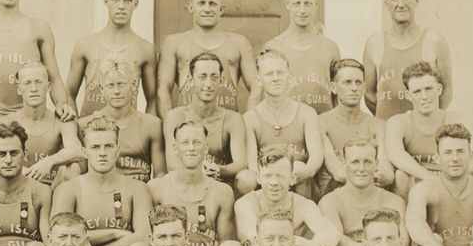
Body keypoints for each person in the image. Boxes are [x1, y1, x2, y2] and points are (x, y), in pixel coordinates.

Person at [144, 119, 245, 246]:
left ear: (206, 148)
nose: (191, 148)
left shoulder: (222, 192)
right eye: (185, 143)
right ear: (175, 148)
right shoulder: (156, 188)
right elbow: (149, 243)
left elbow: (225, 244)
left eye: (196, 142)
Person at [51, 114, 152, 246]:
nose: (102, 153)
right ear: (85, 152)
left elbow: (144, 237)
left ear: (118, 150)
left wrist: (87, 239)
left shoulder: (137, 188)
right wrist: (114, 233)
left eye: (109, 146)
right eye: (95, 147)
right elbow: (60, 239)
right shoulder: (68, 189)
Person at [234, 147, 340, 246]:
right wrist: (301, 244)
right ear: (258, 178)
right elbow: (259, 241)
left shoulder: (303, 204)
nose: (273, 182)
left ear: (292, 178)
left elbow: (332, 233)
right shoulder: (246, 204)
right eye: (268, 176)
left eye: (280, 176)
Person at [385, 62, 473, 199]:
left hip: (452, 179)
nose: (424, 96)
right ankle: (404, 220)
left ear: (439, 89)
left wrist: (450, 177)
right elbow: (395, 155)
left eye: (429, 89)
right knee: (401, 176)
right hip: (419, 182)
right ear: (408, 95)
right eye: (417, 91)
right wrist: (430, 178)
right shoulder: (399, 122)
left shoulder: (457, 119)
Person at [156, 0, 255, 116]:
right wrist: (171, 129)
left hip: (226, 127)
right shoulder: (174, 42)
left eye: (212, 4)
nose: (207, 9)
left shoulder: (239, 42)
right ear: (191, 7)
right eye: (201, 3)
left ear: (221, 9)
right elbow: (163, 90)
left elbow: (257, 87)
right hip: (188, 130)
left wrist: (246, 124)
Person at [66, 0, 158, 117]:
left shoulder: (145, 49)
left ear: (135, 3)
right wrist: (75, 129)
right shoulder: (85, 45)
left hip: (127, 132)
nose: (121, 6)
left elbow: (152, 100)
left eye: (127, 0)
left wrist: (143, 130)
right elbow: (70, 93)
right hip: (90, 132)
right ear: (106, 1)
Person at [363, 0, 453, 119]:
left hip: (424, 133)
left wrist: (427, 121)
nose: (401, 4)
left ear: (416, 1)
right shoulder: (374, 43)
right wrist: (391, 122)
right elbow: (369, 95)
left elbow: (446, 92)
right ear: (387, 5)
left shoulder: (434, 40)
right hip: (387, 132)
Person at [318, 137, 408, 246]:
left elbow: (403, 243)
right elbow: (333, 240)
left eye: (367, 162)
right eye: (355, 162)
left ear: (376, 164)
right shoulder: (330, 201)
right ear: (344, 163)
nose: (361, 168)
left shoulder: (393, 201)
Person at [240, 49, 324, 198]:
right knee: (245, 179)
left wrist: (295, 174)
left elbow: (316, 159)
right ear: (259, 80)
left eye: (280, 73)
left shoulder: (306, 113)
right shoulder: (250, 118)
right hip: (266, 182)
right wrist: (272, 178)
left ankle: (299, 220)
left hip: (299, 181)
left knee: (298, 166)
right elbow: (252, 165)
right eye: (269, 74)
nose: (275, 78)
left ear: (289, 77)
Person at [0, 64, 81, 185]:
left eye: (38, 82)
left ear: (48, 87)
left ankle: (60, 204)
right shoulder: (6, 121)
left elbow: (77, 150)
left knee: (73, 168)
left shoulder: (62, 120)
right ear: (19, 89)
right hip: (18, 187)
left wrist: (49, 162)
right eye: (27, 83)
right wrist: (19, 169)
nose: (33, 88)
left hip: (53, 189)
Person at [161, 52, 248, 188]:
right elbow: (172, 164)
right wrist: (198, 171)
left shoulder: (233, 119)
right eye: (202, 77)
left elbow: (241, 163)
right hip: (186, 184)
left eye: (214, 77)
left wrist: (218, 170)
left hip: (220, 185)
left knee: (246, 178)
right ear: (190, 80)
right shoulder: (175, 116)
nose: (208, 84)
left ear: (220, 80)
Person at [260, 0, 339, 112]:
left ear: (316, 4)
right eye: (297, 3)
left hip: (323, 127)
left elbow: (338, 97)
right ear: (287, 4)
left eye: (307, 3)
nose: (302, 10)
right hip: (288, 126)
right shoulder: (274, 47)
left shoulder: (330, 47)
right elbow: (264, 98)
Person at [315, 59, 392, 196]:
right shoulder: (321, 122)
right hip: (334, 196)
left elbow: (387, 174)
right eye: (347, 82)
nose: (354, 88)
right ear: (333, 87)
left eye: (358, 83)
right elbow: (338, 174)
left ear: (364, 87)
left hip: (370, 197)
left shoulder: (378, 125)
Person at [94, 59, 165, 183]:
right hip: (104, 195)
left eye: (121, 84)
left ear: (133, 84)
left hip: (141, 194)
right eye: (110, 85)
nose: (116, 91)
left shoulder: (151, 125)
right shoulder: (89, 125)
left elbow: (160, 175)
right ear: (101, 88)